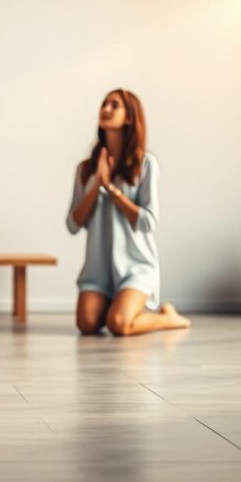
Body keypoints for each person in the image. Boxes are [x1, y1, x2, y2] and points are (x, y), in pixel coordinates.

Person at [66, 88, 191, 336]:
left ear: (130, 117)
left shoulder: (145, 164)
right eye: (104, 104)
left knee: (119, 325)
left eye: (114, 105)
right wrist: (96, 186)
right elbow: (73, 224)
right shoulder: (85, 169)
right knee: (87, 324)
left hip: (136, 267)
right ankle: (117, 304)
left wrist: (112, 189)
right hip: (98, 271)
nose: (106, 109)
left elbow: (147, 222)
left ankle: (169, 318)